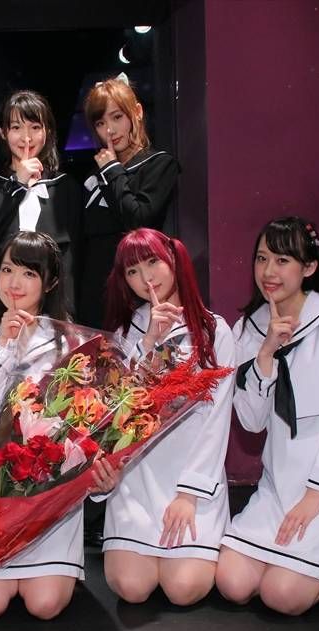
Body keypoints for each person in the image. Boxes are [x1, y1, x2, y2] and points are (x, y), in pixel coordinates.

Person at [216, 216, 319, 615]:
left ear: (309, 268)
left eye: (282, 260)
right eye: (261, 259)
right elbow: (252, 422)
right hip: (279, 482)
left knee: (281, 596)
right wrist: (266, 353)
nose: (268, 272)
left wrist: (314, 496)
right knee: (232, 584)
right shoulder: (247, 328)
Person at [0, 231, 117, 619]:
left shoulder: (71, 341)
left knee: (44, 606)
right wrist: (10, 349)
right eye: (7, 269)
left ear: (51, 282)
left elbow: (85, 424)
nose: (14, 282)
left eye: (29, 273)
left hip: (49, 494)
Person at [98, 228, 235, 605]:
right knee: (131, 588)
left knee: (184, 589)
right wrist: (149, 342)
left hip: (191, 476)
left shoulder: (213, 329)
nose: (145, 277)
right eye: (132, 271)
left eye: (152, 262)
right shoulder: (126, 331)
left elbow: (217, 418)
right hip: (136, 479)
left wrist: (189, 494)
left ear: (173, 259)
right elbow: (116, 409)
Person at [76, 75, 181, 328]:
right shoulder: (93, 174)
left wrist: (112, 169)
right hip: (94, 294)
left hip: (138, 291)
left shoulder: (159, 164)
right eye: (100, 123)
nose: (109, 130)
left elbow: (137, 219)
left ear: (137, 112)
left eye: (117, 117)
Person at [0, 90, 80, 310]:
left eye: (35, 127)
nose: (26, 137)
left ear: (47, 131)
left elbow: (72, 260)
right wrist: (16, 183)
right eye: (17, 127)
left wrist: (66, 314)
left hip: (50, 311)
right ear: (3, 131)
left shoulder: (65, 187)